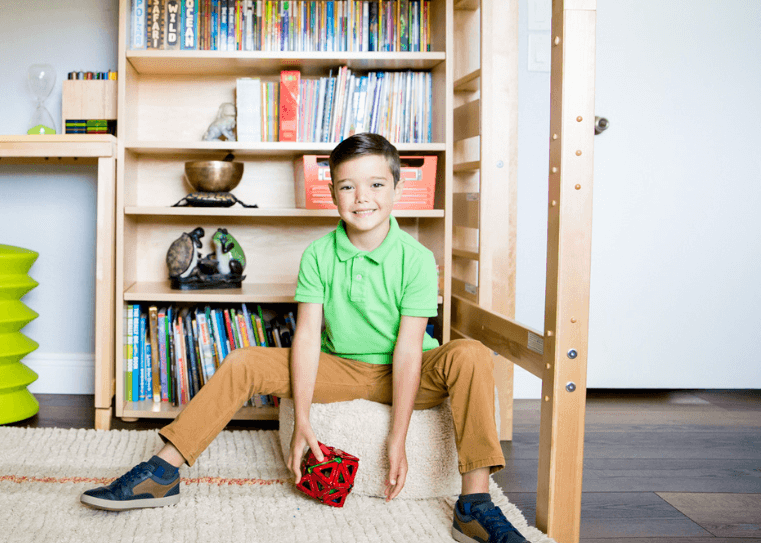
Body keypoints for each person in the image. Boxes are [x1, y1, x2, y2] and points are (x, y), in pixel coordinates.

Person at [81, 133, 529, 543]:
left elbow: (409, 348)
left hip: (411, 369)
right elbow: (309, 335)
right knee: (244, 361)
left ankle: (474, 504)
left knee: (470, 353)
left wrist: (398, 437)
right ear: (332, 194)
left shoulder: (416, 258)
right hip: (344, 369)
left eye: (376, 185)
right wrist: (304, 422)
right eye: (348, 187)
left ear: (396, 189)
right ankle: (163, 471)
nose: (362, 198)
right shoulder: (318, 255)